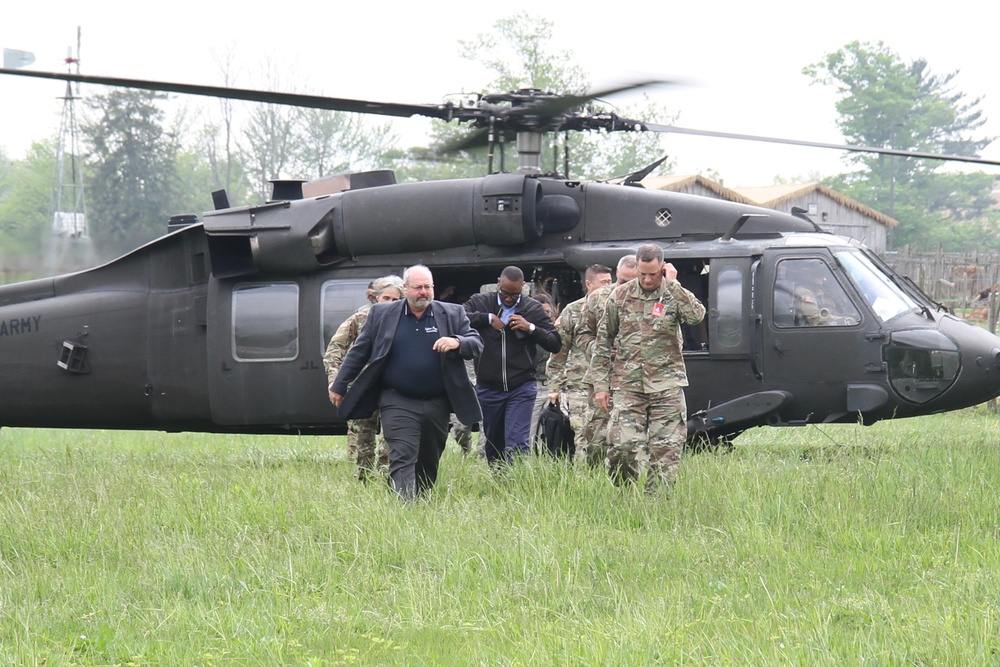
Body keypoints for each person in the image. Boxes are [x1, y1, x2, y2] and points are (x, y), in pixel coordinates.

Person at [331, 265, 483, 500]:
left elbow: (476, 343)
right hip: (397, 399)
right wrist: (339, 384)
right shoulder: (383, 314)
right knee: (402, 454)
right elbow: (359, 351)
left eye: (428, 287)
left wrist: (457, 342)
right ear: (406, 289)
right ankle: (405, 507)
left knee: (429, 458)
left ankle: (422, 501)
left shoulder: (452, 313)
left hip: (437, 401)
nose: (424, 292)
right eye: (418, 287)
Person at [591, 244, 706, 493]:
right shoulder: (620, 296)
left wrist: (674, 285)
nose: (646, 279)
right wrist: (600, 386)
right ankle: (623, 493)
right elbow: (602, 343)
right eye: (642, 273)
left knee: (666, 449)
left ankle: (656, 506)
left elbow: (696, 316)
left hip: (666, 385)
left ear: (663, 269)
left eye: (652, 274)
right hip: (628, 385)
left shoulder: (673, 294)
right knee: (622, 445)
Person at [464, 266, 561, 466]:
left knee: (517, 442)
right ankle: (499, 482)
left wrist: (531, 328)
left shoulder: (532, 309)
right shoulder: (481, 302)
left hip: (521, 385)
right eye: (505, 293)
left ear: (523, 288)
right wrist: (487, 318)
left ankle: (517, 484)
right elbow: (459, 317)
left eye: (514, 294)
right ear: (499, 282)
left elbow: (555, 342)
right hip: (488, 386)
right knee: (493, 443)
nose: (509, 299)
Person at [322, 275, 403, 481]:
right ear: (375, 298)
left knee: (391, 438)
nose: (391, 304)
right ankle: (364, 479)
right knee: (362, 439)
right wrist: (335, 381)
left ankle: (388, 479)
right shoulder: (359, 319)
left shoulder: (407, 320)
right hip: (362, 387)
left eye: (396, 300)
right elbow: (334, 349)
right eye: (386, 298)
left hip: (393, 389)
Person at [577, 254, 638, 467]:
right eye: (621, 281)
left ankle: (626, 482)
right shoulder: (599, 298)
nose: (626, 287)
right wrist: (600, 349)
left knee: (630, 438)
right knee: (596, 437)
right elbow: (583, 334)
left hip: (637, 379)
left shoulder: (655, 298)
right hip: (603, 375)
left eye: (633, 281)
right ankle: (594, 481)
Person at [546, 264, 613, 458]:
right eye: (603, 282)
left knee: (609, 435)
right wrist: (555, 386)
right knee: (583, 433)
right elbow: (560, 351)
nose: (608, 287)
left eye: (610, 282)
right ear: (588, 284)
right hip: (580, 383)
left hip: (609, 382)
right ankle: (585, 479)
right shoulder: (574, 311)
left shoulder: (617, 307)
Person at [529, 293, 558, 453]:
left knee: (552, 431)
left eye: (548, 312)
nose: (546, 315)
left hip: (552, 386)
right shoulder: (526, 333)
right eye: (541, 312)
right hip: (532, 386)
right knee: (530, 432)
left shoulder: (556, 333)